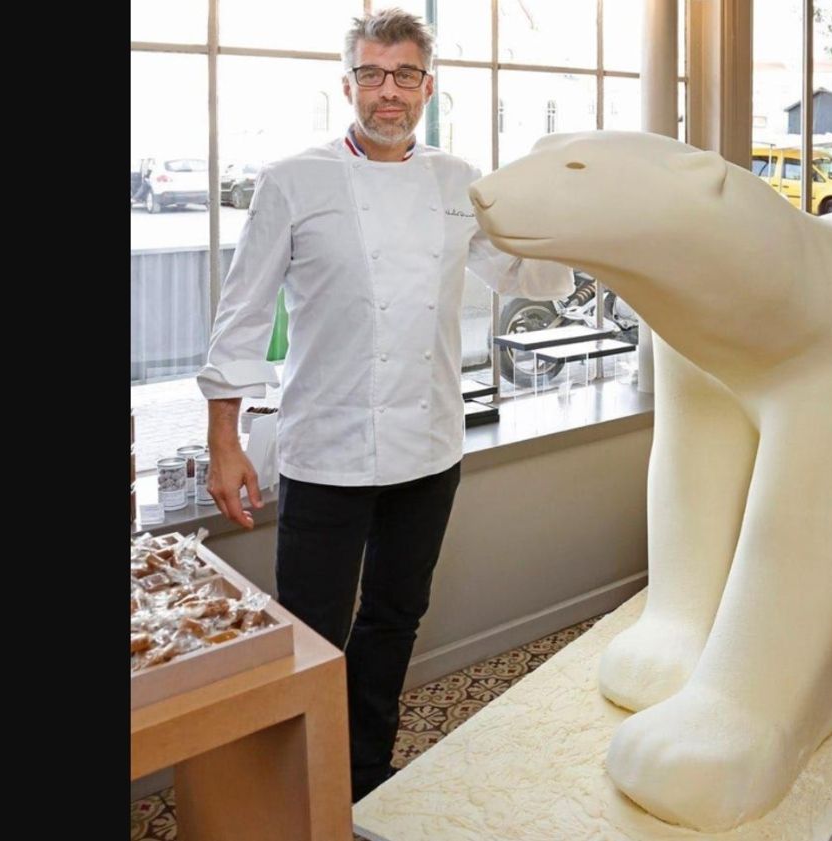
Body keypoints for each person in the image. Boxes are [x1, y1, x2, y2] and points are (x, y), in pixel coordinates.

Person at [196, 7, 574, 802]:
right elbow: (241, 313)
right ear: (349, 85)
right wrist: (224, 439)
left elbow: (520, 274)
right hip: (325, 451)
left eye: (405, 75)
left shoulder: (455, 181)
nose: (388, 92)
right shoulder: (292, 181)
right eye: (372, 74)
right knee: (311, 632)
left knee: (395, 619)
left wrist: (582, 231)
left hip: (429, 448)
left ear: (428, 87)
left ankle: (365, 772)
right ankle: (301, 781)